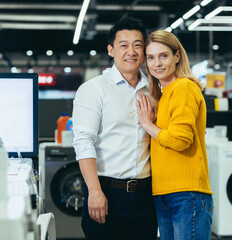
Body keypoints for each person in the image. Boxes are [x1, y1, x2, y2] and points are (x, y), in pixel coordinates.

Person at [72, 16, 157, 240]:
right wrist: (94, 191)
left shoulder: (153, 90)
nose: (131, 51)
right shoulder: (94, 89)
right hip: (107, 192)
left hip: (146, 196)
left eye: (138, 45)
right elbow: (83, 141)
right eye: (124, 45)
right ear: (111, 50)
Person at [136, 30, 213, 240]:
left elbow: (180, 140)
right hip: (164, 193)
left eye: (163, 56)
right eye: (151, 58)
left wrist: (147, 125)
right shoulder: (162, 96)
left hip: (187, 194)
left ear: (177, 56)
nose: (157, 63)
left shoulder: (184, 87)